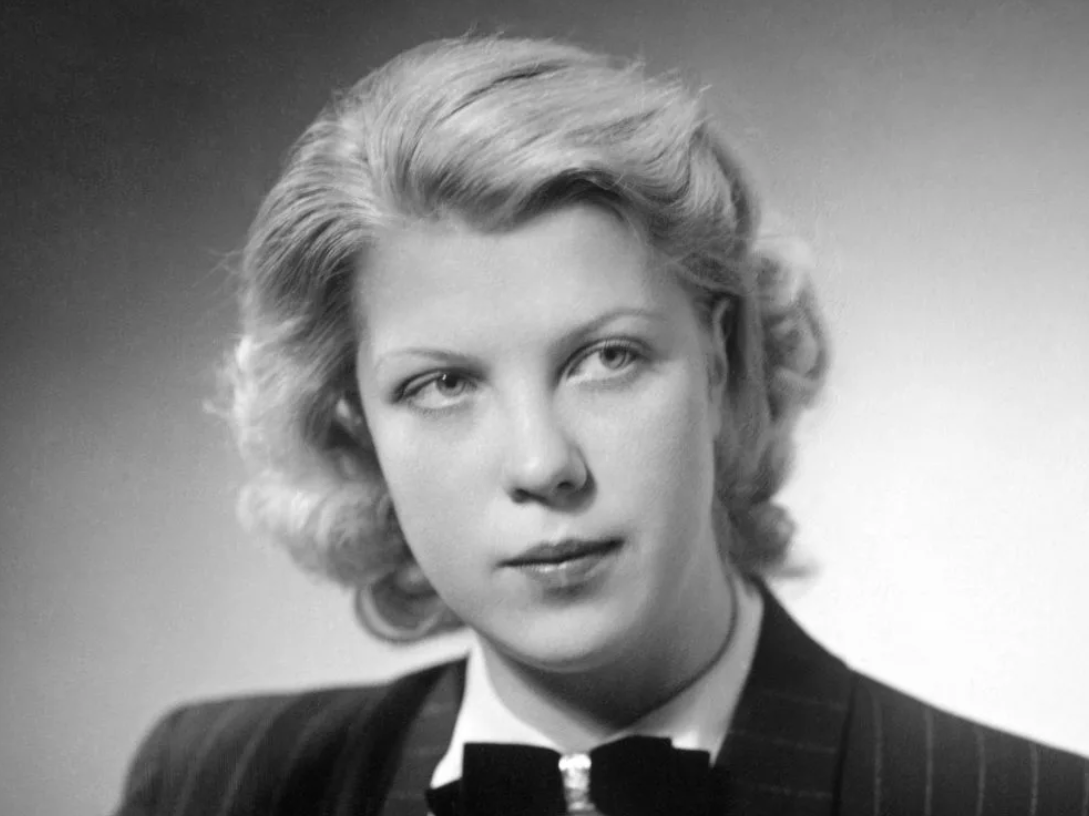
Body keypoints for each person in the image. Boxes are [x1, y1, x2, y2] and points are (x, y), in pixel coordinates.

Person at [112, 35, 1088, 816]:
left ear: (719, 358)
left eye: (606, 358)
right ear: (355, 427)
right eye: (442, 384)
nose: (543, 464)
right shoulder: (214, 785)